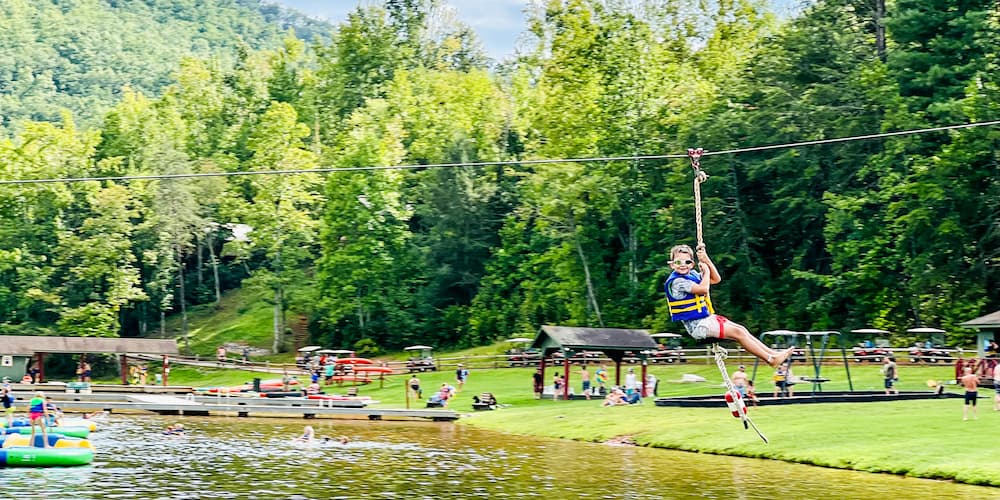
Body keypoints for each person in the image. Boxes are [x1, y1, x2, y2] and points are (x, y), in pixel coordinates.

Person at [663, 244, 794, 367]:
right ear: (672, 265)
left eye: (687, 262)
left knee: (741, 329)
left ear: (692, 264)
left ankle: (773, 354)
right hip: (697, 326)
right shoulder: (677, 281)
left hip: (706, 320)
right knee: (737, 333)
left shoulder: (691, 275)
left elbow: (716, 279)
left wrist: (706, 260)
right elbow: (703, 289)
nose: (683, 265)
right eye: (678, 262)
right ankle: (770, 360)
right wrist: (706, 272)